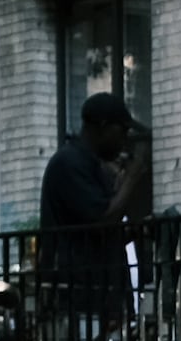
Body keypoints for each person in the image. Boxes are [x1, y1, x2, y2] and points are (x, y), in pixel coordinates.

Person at [36, 91, 142, 321]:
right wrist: (131, 179)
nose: (125, 139)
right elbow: (102, 220)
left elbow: (102, 231)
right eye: (121, 130)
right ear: (103, 127)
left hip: (100, 302)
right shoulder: (69, 163)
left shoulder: (94, 167)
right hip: (79, 303)